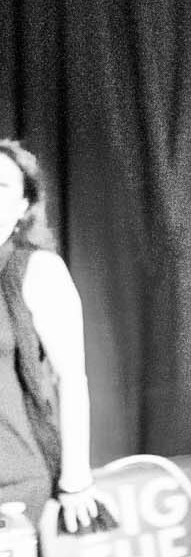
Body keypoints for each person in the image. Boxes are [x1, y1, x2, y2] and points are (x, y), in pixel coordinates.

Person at [0, 140, 104, 531]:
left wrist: (76, 478)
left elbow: (71, 379)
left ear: (23, 205)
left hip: (13, 484)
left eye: (2, 186)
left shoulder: (37, 270)